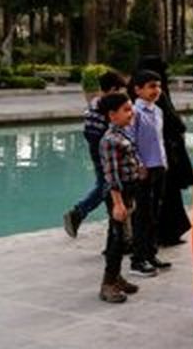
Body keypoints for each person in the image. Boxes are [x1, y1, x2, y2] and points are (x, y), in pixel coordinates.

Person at [136, 55, 193, 247]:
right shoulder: (143, 106)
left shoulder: (155, 102)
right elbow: (175, 124)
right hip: (155, 160)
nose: (157, 89)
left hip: (161, 158)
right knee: (158, 201)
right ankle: (158, 238)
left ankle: (151, 242)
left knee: (157, 201)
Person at [63, 71, 127, 238]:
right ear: (113, 89)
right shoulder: (107, 107)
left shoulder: (94, 102)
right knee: (107, 185)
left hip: (95, 147)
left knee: (104, 183)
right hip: (104, 150)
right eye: (121, 90)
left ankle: (80, 213)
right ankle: (78, 212)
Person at [96, 92, 143, 304]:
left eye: (131, 108)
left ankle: (116, 277)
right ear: (112, 114)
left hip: (129, 192)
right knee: (118, 240)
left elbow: (130, 157)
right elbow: (111, 175)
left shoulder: (123, 134)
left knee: (120, 237)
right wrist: (118, 203)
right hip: (119, 195)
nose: (131, 113)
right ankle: (107, 284)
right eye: (126, 110)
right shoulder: (110, 140)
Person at [126, 70, 172, 276]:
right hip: (143, 170)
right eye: (151, 86)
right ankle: (137, 259)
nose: (157, 90)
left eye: (159, 86)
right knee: (141, 215)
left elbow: (158, 140)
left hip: (158, 167)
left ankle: (150, 253)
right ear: (138, 89)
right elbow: (129, 143)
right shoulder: (133, 113)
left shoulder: (158, 111)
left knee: (155, 213)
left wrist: (163, 162)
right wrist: (139, 164)